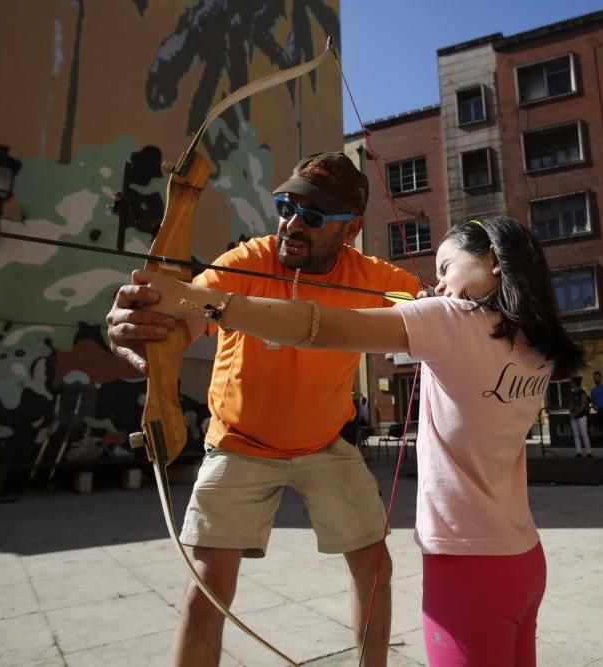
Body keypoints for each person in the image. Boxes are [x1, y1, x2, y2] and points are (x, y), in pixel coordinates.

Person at [135, 215, 585, 666]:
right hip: (523, 559)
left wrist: (198, 300)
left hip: (469, 565)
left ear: (492, 261)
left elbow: (318, 327)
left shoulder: (451, 320)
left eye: (446, 267)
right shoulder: (536, 345)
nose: (440, 284)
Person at [105, 152, 421, 667]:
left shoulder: (371, 277)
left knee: (376, 569)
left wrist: (467, 295)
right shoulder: (246, 261)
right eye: (286, 206)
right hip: (239, 442)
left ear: (352, 229)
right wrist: (141, 327)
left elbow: (436, 306)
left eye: (314, 216)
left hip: (324, 443)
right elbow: (180, 314)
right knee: (207, 588)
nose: (292, 224)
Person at [569, 376, 593, 458]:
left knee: (583, 434)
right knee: (576, 435)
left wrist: (574, 414)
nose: (570, 384)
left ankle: (588, 452)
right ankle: (578, 452)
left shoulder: (582, 393)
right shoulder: (572, 393)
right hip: (573, 416)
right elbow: (570, 404)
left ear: (575, 383)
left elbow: (583, 406)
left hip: (581, 416)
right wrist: (570, 412)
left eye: (571, 382)